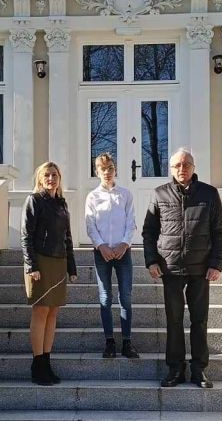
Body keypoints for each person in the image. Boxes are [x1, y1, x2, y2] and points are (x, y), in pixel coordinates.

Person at [142, 148, 222, 389]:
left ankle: (199, 369)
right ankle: (175, 369)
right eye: (177, 165)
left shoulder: (209, 194)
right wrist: (152, 261)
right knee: (174, 320)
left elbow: (219, 231)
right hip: (170, 268)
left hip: (201, 269)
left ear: (193, 167)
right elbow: (149, 231)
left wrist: (216, 264)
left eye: (186, 164)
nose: (182, 169)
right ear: (171, 169)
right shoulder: (159, 194)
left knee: (199, 320)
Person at [21, 162, 78, 386]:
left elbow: (67, 238)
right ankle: (37, 365)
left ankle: (46, 363)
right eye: (47, 175)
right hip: (40, 261)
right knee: (41, 311)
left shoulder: (62, 204)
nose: (51, 179)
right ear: (40, 178)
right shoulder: (34, 200)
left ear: (59, 178)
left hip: (59, 261)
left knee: (53, 312)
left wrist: (71, 267)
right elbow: (26, 236)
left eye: (54, 175)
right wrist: (31, 265)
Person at [84, 153, 139, 359]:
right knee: (105, 297)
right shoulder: (92, 197)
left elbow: (131, 222)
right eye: (102, 169)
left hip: (123, 252)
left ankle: (127, 342)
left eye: (110, 168)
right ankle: (109, 342)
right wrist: (101, 246)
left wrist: (125, 243)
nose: (107, 172)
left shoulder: (125, 194)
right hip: (102, 253)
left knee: (125, 297)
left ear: (115, 170)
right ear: (96, 171)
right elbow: (90, 225)